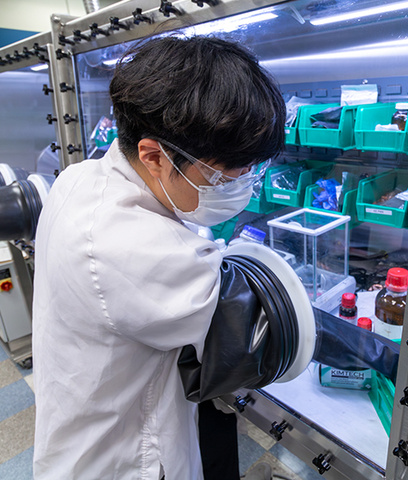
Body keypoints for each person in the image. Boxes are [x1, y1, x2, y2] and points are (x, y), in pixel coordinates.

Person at [32, 35, 286, 480]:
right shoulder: (129, 246)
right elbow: (257, 330)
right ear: (154, 156)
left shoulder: (81, 176)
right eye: (224, 174)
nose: (240, 184)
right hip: (126, 460)